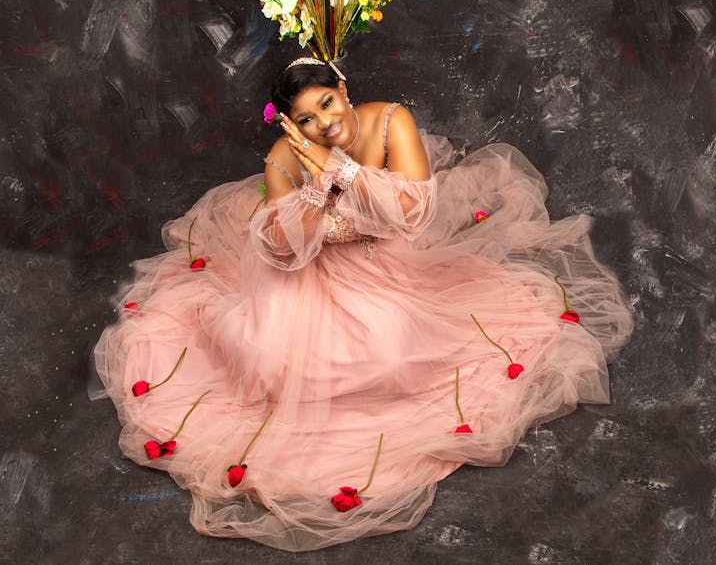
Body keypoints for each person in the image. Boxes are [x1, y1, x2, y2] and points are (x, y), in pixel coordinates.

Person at [90, 56, 633, 552]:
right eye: (305, 119)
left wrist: (340, 174)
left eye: (326, 103)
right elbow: (282, 247)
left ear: (343, 89)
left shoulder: (390, 120)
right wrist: (310, 190)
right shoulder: (285, 155)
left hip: (387, 265)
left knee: (395, 357)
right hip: (307, 273)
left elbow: (413, 213)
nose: (323, 124)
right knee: (263, 359)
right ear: (290, 125)